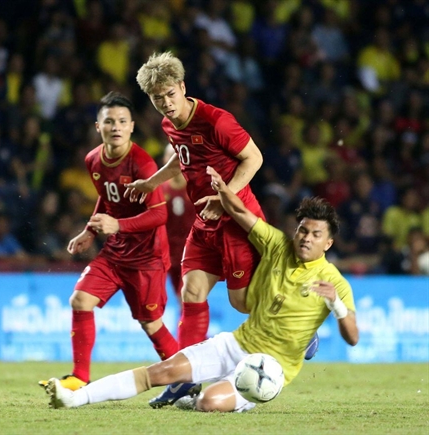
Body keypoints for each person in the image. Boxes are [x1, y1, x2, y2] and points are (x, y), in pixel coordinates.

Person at [46, 168, 359, 413]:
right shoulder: (277, 244)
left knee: (209, 402)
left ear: (328, 243)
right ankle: (75, 398)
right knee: (162, 372)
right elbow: (241, 214)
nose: (306, 237)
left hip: (267, 369)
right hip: (235, 343)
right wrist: (223, 191)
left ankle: (213, 395)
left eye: (315, 234)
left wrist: (337, 306)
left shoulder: (335, 283)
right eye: (302, 230)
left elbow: (353, 337)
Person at [125, 51, 265, 404]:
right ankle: (186, 378)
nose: (166, 104)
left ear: (182, 87)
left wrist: (225, 198)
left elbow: (254, 158)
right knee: (191, 291)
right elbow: (180, 157)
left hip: (236, 219)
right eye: (158, 100)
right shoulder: (169, 125)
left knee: (242, 303)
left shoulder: (216, 121)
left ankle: (298, 322)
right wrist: (150, 182)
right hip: (206, 220)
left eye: (170, 95)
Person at [39, 91, 179, 391]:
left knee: (151, 324)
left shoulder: (142, 164)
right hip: (115, 253)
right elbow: (106, 199)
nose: (116, 127)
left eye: (122, 121)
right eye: (109, 121)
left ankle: (184, 380)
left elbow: (159, 215)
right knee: (80, 300)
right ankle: (79, 377)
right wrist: (90, 231)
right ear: (97, 126)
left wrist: (118, 225)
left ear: (131, 127)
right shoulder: (93, 160)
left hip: (147, 257)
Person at [160, 144, 194, 301]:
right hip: (167, 253)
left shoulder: (196, 188)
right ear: (164, 160)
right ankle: (187, 324)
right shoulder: (158, 190)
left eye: (178, 157)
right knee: (178, 296)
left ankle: (191, 324)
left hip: (192, 251)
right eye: (170, 157)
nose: (175, 161)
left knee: (187, 295)